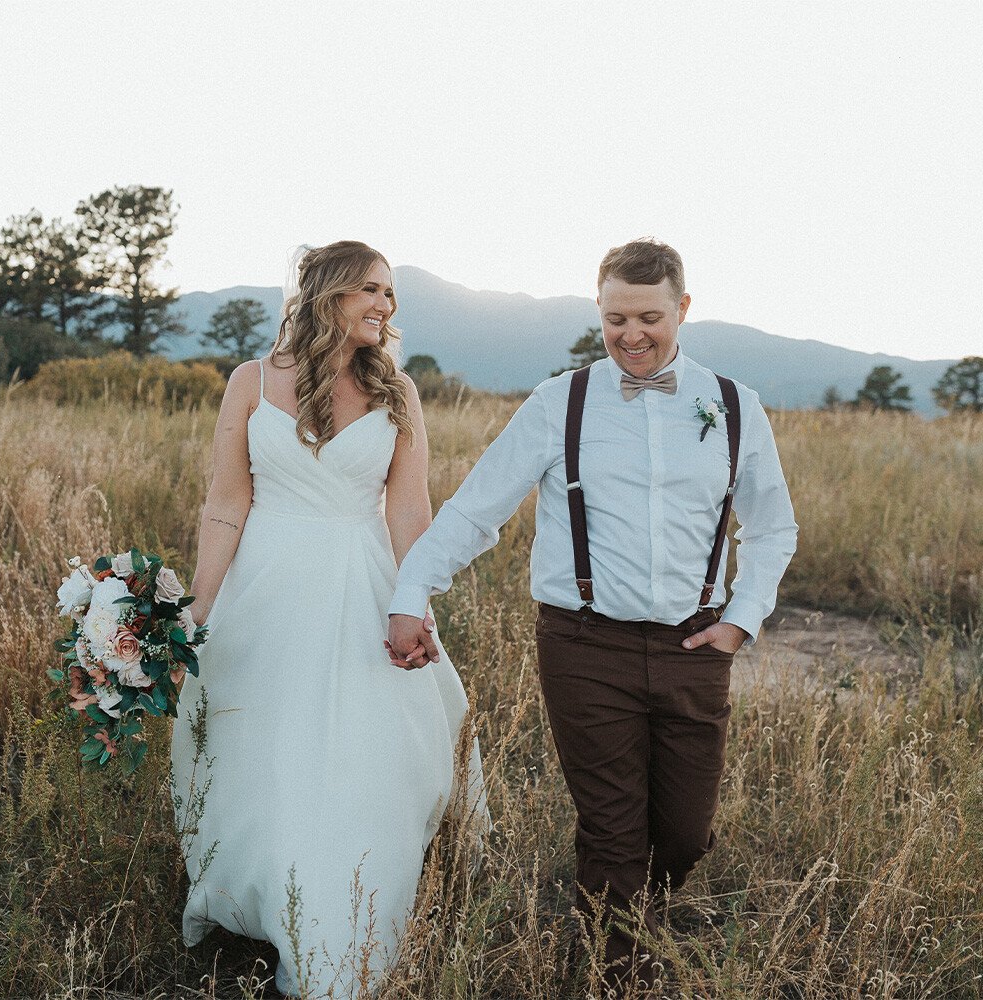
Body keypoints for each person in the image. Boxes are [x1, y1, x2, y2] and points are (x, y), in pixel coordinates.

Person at [387, 239, 797, 989]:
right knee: (612, 831)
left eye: (649, 317)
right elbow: (477, 511)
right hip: (583, 644)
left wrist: (741, 618)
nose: (632, 335)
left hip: (694, 645)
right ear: (598, 312)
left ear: (683, 309)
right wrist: (412, 592)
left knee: (684, 833)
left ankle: (633, 916)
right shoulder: (559, 403)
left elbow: (772, 527)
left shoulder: (734, 406)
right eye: (615, 319)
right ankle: (619, 972)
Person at [170, 241, 487, 998]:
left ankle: (336, 932)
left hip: (363, 584)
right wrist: (197, 610)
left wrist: (417, 605)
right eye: (372, 290)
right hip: (266, 588)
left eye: (392, 294)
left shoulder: (398, 392)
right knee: (266, 752)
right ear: (328, 293)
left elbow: (410, 510)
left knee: (357, 759)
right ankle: (265, 900)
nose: (386, 305)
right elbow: (226, 503)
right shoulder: (250, 382)